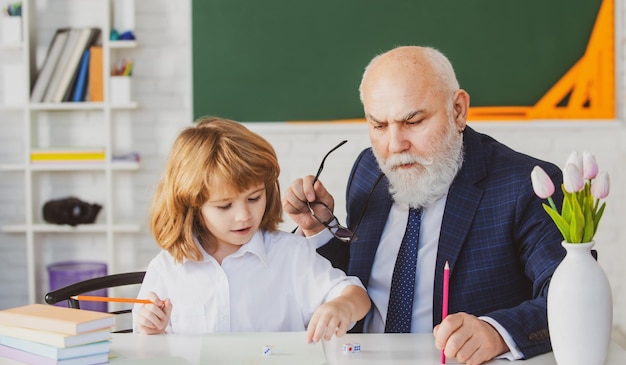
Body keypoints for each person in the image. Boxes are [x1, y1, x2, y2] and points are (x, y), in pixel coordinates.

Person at [282, 46, 566, 364]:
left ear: (458, 110)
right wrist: (321, 229)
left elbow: (569, 296)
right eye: (378, 126)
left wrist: (496, 333)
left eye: (413, 122)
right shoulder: (368, 169)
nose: (394, 145)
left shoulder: (526, 184)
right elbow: (356, 270)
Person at [133, 116, 370, 342]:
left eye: (254, 198)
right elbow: (147, 345)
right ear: (192, 206)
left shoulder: (290, 254)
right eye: (225, 206)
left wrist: (343, 306)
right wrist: (151, 329)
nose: (244, 216)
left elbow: (356, 295)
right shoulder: (167, 269)